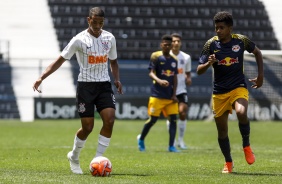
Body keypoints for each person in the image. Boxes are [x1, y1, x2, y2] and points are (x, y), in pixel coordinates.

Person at [32, 7, 123, 174]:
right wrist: (41, 77)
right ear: (88, 20)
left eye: (100, 22)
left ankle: (98, 160)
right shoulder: (79, 40)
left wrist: (116, 79)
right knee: (88, 127)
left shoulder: (109, 38)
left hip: (104, 85)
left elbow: (114, 61)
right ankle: (74, 157)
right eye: (94, 22)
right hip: (85, 87)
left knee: (109, 120)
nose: (97, 25)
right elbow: (60, 60)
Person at [197, 11, 263, 173]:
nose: (218, 31)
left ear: (230, 28)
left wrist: (260, 76)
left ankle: (246, 145)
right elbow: (199, 70)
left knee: (241, 112)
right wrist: (208, 64)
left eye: (221, 28)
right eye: (216, 28)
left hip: (238, 87)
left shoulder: (241, 41)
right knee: (222, 131)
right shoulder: (210, 44)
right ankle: (228, 162)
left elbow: (258, 52)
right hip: (219, 92)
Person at [137, 35, 179, 153]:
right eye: (164, 44)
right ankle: (141, 139)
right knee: (153, 120)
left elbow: (175, 78)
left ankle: (171, 146)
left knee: (173, 120)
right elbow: (150, 73)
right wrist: (160, 81)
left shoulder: (174, 59)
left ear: (172, 46)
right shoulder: (156, 56)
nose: (167, 46)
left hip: (170, 96)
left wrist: (174, 94)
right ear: (161, 45)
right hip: (157, 94)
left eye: (169, 44)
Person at [166, 33, 192, 150]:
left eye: (178, 41)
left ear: (180, 43)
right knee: (171, 117)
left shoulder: (186, 57)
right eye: (174, 41)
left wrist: (188, 78)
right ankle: (173, 140)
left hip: (181, 90)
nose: (176, 43)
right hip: (168, 91)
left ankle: (181, 140)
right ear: (170, 43)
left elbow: (188, 73)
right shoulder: (165, 56)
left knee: (182, 112)